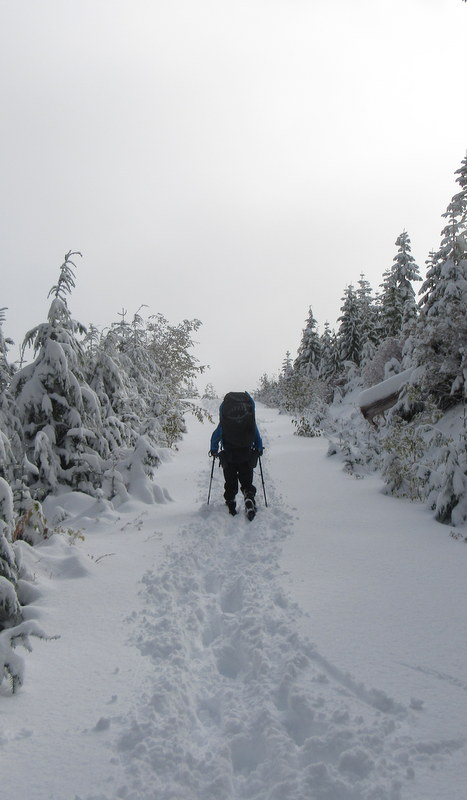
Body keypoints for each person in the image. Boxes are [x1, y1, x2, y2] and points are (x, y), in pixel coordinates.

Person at [209, 392, 264, 517]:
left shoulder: (225, 422)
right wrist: (259, 448)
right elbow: (256, 435)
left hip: (229, 456)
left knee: (230, 481)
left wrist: (213, 450)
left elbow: (215, 436)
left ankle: (231, 503)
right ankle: (249, 496)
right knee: (246, 481)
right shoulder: (249, 421)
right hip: (246, 454)